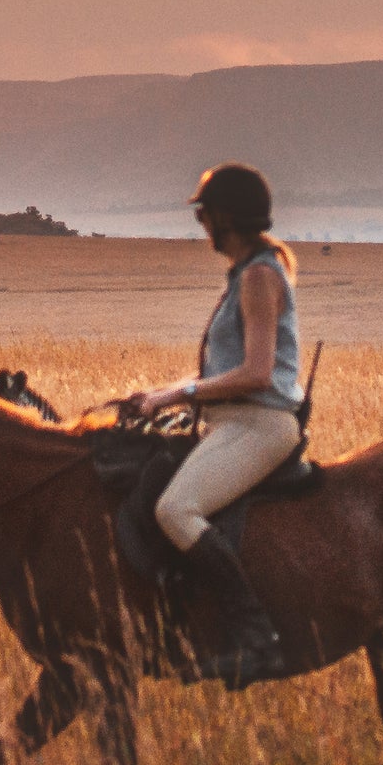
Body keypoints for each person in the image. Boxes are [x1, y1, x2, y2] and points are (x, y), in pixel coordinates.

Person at [112, 161, 305, 683]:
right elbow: (224, 373)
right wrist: (157, 398)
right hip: (230, 423)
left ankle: (256, 639)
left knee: (176, 510)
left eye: (205, 215)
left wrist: (178, 394)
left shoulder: (260, 276)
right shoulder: (247, 273)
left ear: (226, 218)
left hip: (260, 426)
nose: (201, 225)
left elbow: (257, 373)